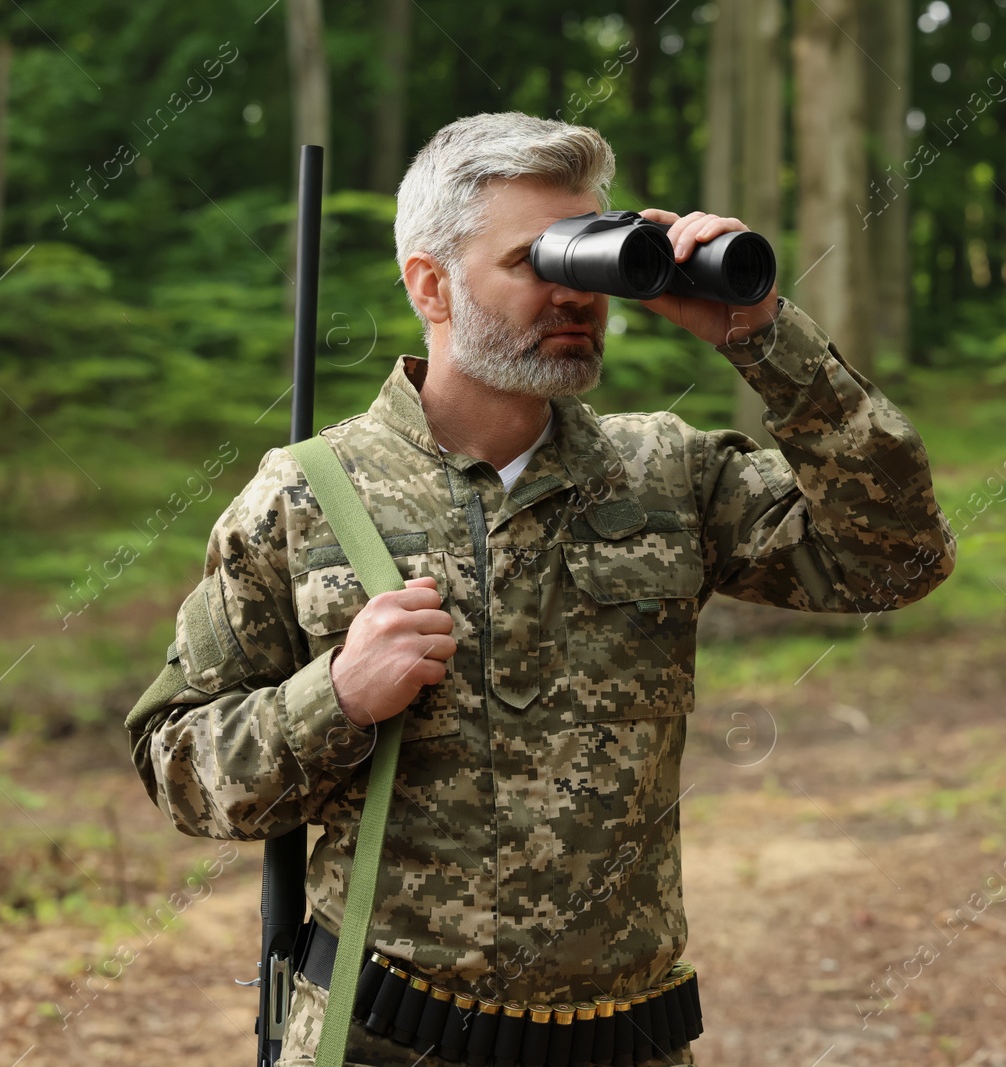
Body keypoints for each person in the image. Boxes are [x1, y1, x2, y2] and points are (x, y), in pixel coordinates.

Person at [125, 111, 956, 1066]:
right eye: (538, 259)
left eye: (595, 253)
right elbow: (178, 762)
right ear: (431, 285)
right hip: (382, 1037)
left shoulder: (665, 475)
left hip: (625, 1042)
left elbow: (899, 556)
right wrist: (336, 699)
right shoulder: (306, 494)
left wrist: (762, 337)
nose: (577, 292)